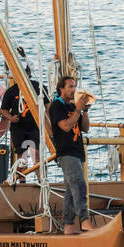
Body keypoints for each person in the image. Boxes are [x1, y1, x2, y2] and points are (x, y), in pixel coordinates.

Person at [48, 76, 94, 235]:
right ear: (61, 88)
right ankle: (84, 220)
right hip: (66, 152)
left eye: (74, 86)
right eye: (70, 87)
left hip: (77, 151)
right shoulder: (56, 107)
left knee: (70, 190)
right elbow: (66, 126)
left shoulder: (74, 107)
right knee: (79, 185)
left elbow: (85, 128)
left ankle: (68, 226)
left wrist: (85, 111)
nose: (74, 89)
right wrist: (78, 109)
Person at [1, 64, 43, 166]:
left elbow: (47, 104)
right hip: (18, 127)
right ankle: (22, 180)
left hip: (35, 126)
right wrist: (11, 118)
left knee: (36, 154)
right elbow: (3, 110)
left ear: (28, 75)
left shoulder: (37, 87)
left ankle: (40, 178)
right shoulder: (11, 91)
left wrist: (46, 119)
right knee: (21, 155)